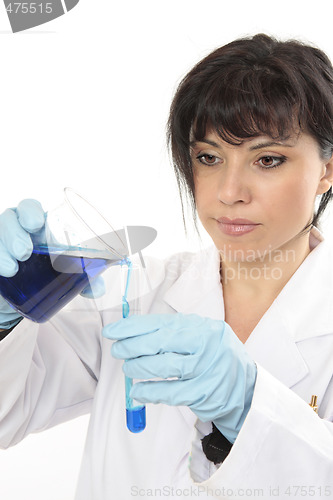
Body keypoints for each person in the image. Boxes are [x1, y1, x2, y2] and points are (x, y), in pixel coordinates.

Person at [0, 33, 333, 499]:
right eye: (209, 158)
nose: (230, 191)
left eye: (268, 159)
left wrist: (249, 410)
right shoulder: (129, 297)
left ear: (326, 168)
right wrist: (6, 311)